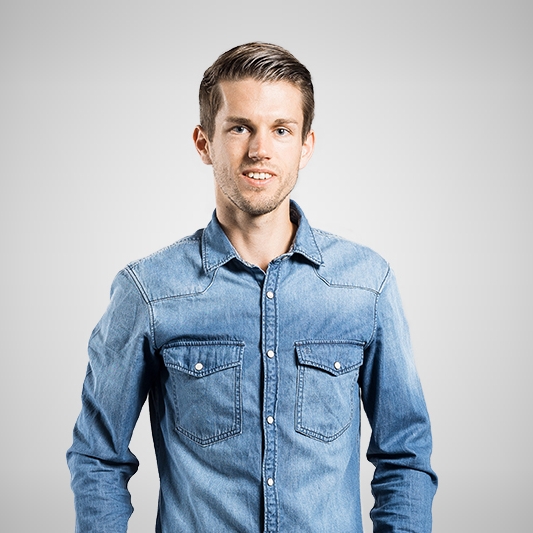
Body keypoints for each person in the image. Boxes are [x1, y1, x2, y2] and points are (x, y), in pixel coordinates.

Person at [67, 42, 437, 532]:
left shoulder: (365, 285)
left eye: (281, 130)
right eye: (240, 127)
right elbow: (97, 457)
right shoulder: (150, 292)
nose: (260, 149)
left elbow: (405, 455)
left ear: (305, 145)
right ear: (203, 142)